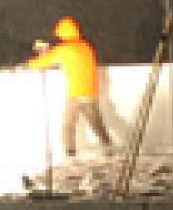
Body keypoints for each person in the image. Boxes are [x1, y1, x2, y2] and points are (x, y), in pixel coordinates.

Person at [26, 15, 114, 157]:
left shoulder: (65, 48)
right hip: (90, 90)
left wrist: (29, 63)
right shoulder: (85, 46)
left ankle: (70, 153)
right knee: (95, 122)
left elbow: (44, 61)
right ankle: (107, 146)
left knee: (68, 124)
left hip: (76, 91)